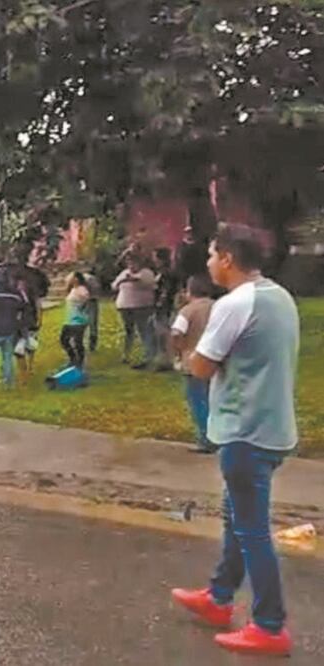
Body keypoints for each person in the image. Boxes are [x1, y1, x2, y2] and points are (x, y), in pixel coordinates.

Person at [172, 225, 299, 657]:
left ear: (227, 258)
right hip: (274, 427)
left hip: (244, 431)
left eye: (211, 254)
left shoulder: (235, 304)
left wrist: (186, 356)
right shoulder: (279, 297)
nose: (208, 262)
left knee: (252, 529)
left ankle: (269, 624)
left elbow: (202, 367)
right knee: (237, 518)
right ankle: (219, 597)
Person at [170, 275, 216, 454]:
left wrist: (179, 353)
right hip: (216, 359)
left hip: (193, 360)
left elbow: (176, 333)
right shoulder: (219, 307)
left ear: (189, 291)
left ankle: (206, 438)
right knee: (215, 399)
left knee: (198, 400)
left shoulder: (188, 311)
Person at [113, 254, 158, 369]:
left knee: (144, 330)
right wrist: (122, 280)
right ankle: (126, 355)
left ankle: (149, 355)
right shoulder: (124, 273)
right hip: (124, 305)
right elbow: (114, 285)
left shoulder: (146, 273)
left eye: (134, 263)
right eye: (129, 263)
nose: (131, 266)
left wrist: (135, 280)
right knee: (127, 331)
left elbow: (150, 284)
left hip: (141, 306)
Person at [152, 247, 178, 371]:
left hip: (165, 307)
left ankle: (167, 360)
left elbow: (166, 291)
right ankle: (163, 359)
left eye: (156, 257)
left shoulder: (167, 274)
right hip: (162, 306)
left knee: (164, 333)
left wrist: (160, 303)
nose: (154, 260)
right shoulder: (162, 272)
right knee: (161, 333)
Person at [60, 272, 91, 369]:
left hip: (79, 320)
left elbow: (86, 299)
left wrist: (82, 305)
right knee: (64, 339)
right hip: (69, 319)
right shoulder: (73, 289)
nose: (68, 278)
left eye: (71, 277)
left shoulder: (81, 289)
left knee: (78, 342)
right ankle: (73, 359)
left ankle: (80, 363)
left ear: (76, 279)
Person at [83, 269, 103, 352]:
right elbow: (97, 289)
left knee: (88, 324)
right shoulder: (92, 278)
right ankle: (92, 345)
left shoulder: (87, 278)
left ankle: (90, 345)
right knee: (92, 324)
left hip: (86, 301)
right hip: (90, 301)